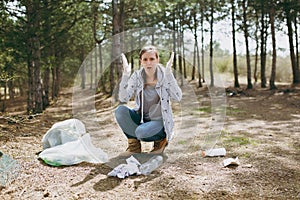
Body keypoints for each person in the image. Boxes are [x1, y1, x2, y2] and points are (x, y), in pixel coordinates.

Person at [115, 45, 182, 156]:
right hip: (143, 119)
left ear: (157, 60)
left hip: (159, 122)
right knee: (120, 111)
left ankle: (160, 141)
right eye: (145, 59)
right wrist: (126, 75)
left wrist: (169, 74)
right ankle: (134, 147)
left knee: (141, 132)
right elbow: (124, 98)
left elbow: (177, 97)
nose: (148, 63)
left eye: (152, 59)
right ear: (141, 61)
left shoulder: (165, 76)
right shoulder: (137, 76)